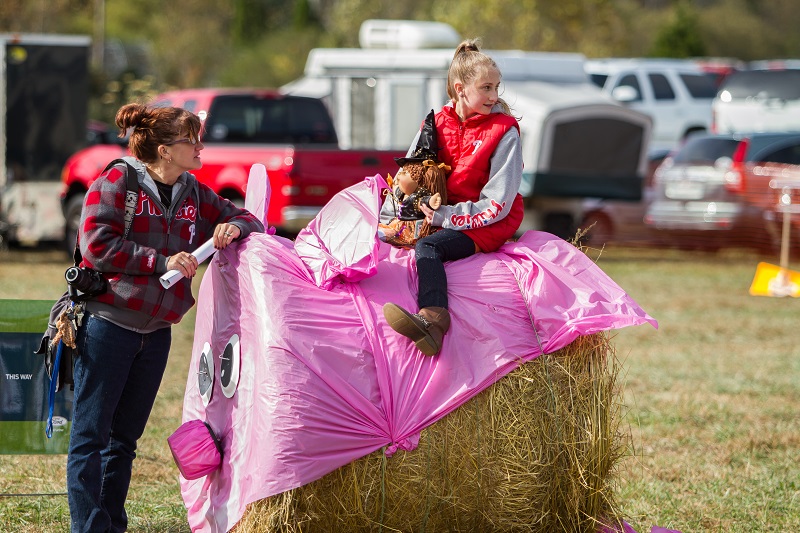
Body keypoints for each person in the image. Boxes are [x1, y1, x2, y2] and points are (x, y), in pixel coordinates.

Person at [67, 103, 264, 532]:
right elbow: (96, 245)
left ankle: (111, 526)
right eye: (189, 140)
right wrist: (159, 261)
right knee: (90, 439)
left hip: (155, 335)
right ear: (163, 150)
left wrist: (234, 229)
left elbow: (249, 218)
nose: (199, 147)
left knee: (124, 443)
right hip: (107, 327)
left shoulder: (193, 190)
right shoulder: (117, 180)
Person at [382, 38, 525, 357]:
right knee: (390, 245)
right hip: (443, 215)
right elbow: (411, 172)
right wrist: (401, 208)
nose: (494, 96)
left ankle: (432, 322)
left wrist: (444, 217)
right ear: (461, 89)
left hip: (486, 224)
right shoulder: (435, 123)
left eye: (496, 87)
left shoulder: (505, 132)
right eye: (486, 88)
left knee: (428, 247)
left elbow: (499, 204)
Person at [379, 114, 450, 248]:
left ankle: (385, 236)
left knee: (397, 235)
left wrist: (431, 201)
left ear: (419, 177)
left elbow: (422, 201)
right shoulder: (403, 192)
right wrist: (395, 188)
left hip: (413, 230)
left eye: (405, 173)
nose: (399, 175)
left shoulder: (419, 194)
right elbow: (397, 195)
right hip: (400, 224)